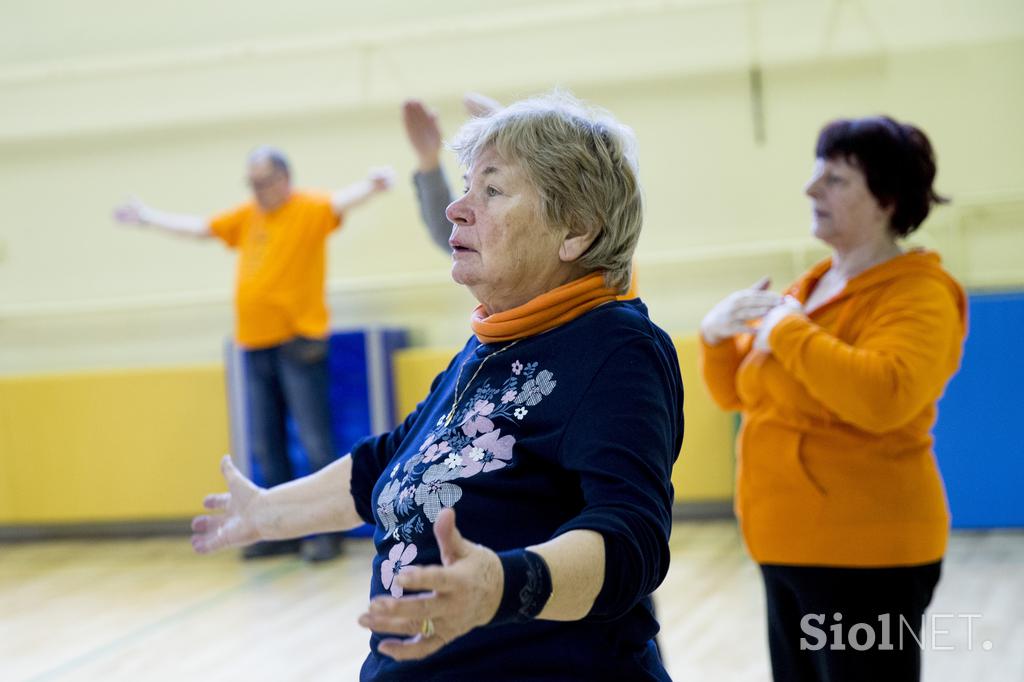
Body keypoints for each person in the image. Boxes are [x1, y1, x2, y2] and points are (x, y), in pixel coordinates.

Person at [192, 92, 683, 681]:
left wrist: (501, 585)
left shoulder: (618, 348)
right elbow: (388, 461)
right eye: (466, 186)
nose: (455, 208)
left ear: (575, 229)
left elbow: (632, 540)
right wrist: (270, 512)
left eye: (492, 191)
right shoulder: (490, 345)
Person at [699, 116, 966, 681]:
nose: (811, 189)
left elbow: (883, 396)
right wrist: (716, 337)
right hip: (784, 544)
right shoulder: (809, 288)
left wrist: (789, 332)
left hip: (868, 555)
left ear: (887, 199)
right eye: (816, 175)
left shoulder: (919, 293)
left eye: (836, 180)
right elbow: (738, 394)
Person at [114, 148, 394, 562]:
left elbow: (341, 201)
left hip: (299, 342)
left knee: (315, 441)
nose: (258, 190)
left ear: (284, 178)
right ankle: (278, 532)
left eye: (263, 181)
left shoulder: (309, 208)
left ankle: (326, 535)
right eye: (252, 183)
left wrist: (372, 186)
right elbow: (199, 229)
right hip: (255, 344)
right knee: (268, 443)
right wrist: (148, 218)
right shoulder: (248, 216)